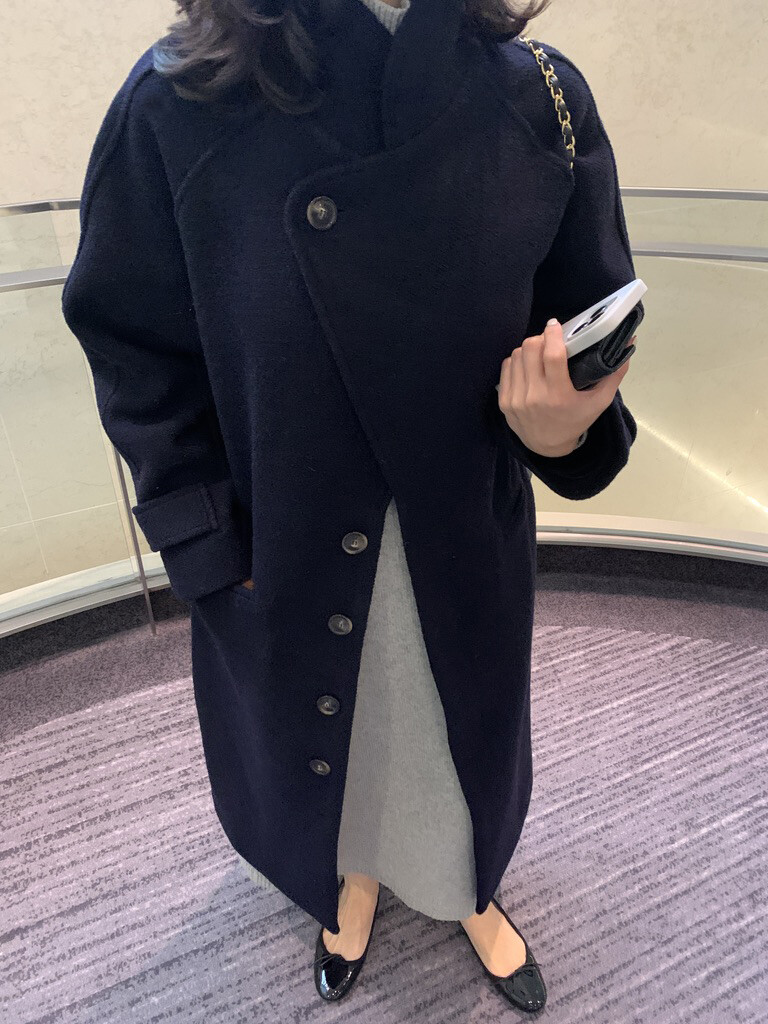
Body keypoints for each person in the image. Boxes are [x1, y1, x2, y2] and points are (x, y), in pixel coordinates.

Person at [61, 0, 640, 1011]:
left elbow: (586, 323)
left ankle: (468, 888)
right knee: (332, 743)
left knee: (454, 747)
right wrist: (209, 547)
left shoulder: (537, 99)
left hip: (460, 541)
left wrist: (564, 426)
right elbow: (135, 349)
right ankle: (346, 886)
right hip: (285, 541)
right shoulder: (179, 104)